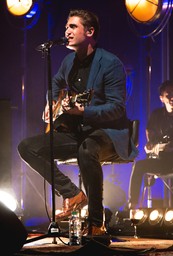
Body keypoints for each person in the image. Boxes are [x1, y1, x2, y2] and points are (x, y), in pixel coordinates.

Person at [18, 9, 138, 237]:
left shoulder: (110, 63)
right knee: (27, 147)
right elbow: (55, 83)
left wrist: (84, 110)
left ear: (90, 31)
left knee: (87, 149)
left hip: (108, 133)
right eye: (66, 27)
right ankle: (72, 193)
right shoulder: (68, 61)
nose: (67, 31)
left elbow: (117, 108)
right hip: (78, 132)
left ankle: (96, 222)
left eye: (73, 27)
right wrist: (52, 101)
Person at [128, 80, 173, 209]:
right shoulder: (156, 115)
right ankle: (133, 206)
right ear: (162, 98)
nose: (172, 97)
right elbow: (150, 135)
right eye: (168, 94)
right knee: (139, 166)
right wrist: (151, 145)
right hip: (162, 161)